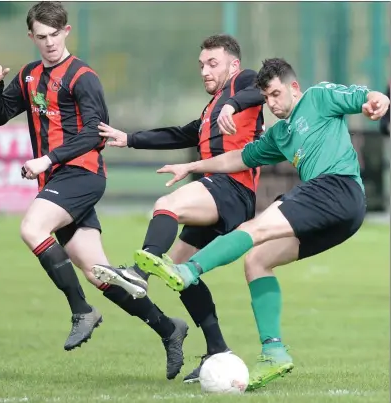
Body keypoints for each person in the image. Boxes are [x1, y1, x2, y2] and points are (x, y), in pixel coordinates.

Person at [133, 58, 390, 390]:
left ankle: (188, 270)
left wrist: (377, 100)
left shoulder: (318, 97)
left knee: (253, 230)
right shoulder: (280, 135)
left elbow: (363, 97)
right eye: (266, 98)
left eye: (276, 94)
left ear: (293, 87)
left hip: (336, 187)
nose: (271, 103)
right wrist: (192, 166)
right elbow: (239, 157)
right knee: (257, 260)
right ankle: (274, 351)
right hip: (343, 217)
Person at [93, 34, 265, 382]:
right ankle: (218, 349)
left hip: (233, 186)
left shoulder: (243, 83)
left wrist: (233, 106)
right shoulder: (212, 107)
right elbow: (179, 134)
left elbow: (263, 89)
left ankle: (138, 273)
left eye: (212, 63)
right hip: (222, 191)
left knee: (167, 204)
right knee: (181, 271)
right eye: (201, 64)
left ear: (233, 65)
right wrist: (129, 138)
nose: (204, 70)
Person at [0, 1, 144, 352]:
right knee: (97, 270)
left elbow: (95, 134)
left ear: (66, 31)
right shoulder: (28, 75)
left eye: (55, 34)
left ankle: (81, 311)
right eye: (42, 36)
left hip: (82, 173)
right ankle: (167, 328)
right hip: (57, 181)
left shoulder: (83, 77)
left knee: (32, 228)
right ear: (31, 36)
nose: (50, 42)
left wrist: (46, 159)